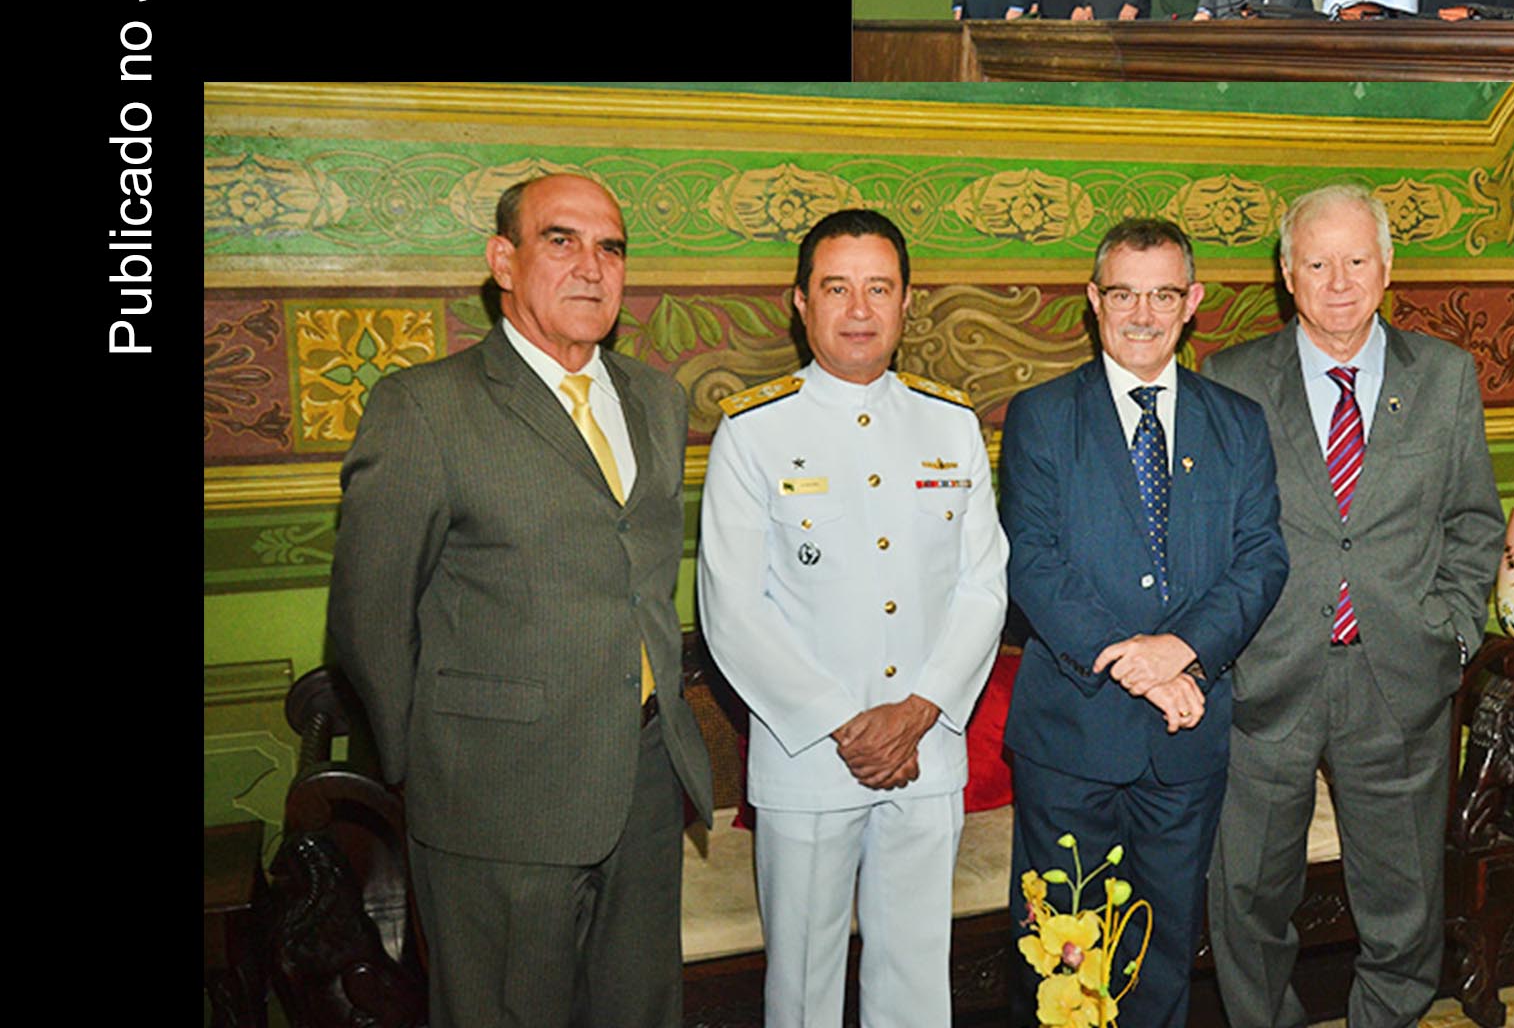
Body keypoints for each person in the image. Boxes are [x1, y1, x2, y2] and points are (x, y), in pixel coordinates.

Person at [327, 172, 712, 1028]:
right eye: (560, 240)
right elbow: (369, 617)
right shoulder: (426, 408)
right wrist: (427, 769)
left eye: (610, 247)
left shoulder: (656, 399)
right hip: (495, 799)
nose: (591, 266)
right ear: (503, 261)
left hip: (647, 780)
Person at [1202, 185, 1505, 1028]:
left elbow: (1474, 522)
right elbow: (1209, 536)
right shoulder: (1231, 380)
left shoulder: (1444, 376)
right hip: (1267, 679)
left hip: (1398, 677)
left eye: (1356, 260)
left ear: (1387, 268)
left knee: (1404, 906)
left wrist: (1451, 633)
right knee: (1248, 899)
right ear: (1286, 273)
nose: (1338, 282)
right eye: (1317, 263)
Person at [696, 209, 1007, 1028]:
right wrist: (846, 725)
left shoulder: (951, 423)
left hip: (926, 752)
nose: (860, 310)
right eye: (837, 288)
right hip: (808, 758)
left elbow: (983, 585)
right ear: (801, 303)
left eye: (879, 288)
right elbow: (732, 608)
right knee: (802, 990)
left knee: (916, 985)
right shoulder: (754, 431)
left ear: (908, 302)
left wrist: (918, 711)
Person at [1001, 218, 1290, 1028]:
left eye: (1163, 295)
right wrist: (1134, 662)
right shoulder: (1042, 416)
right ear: (1093, 300)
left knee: (1160, 957)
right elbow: (1032, 561)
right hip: (1071, 739)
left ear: (1192, 303)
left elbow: (1262, 558)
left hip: (1185, 742)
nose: (1142, 314)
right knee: (1062, 959)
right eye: (1123, 294)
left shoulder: (1237, 421)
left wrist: (1181, 652)